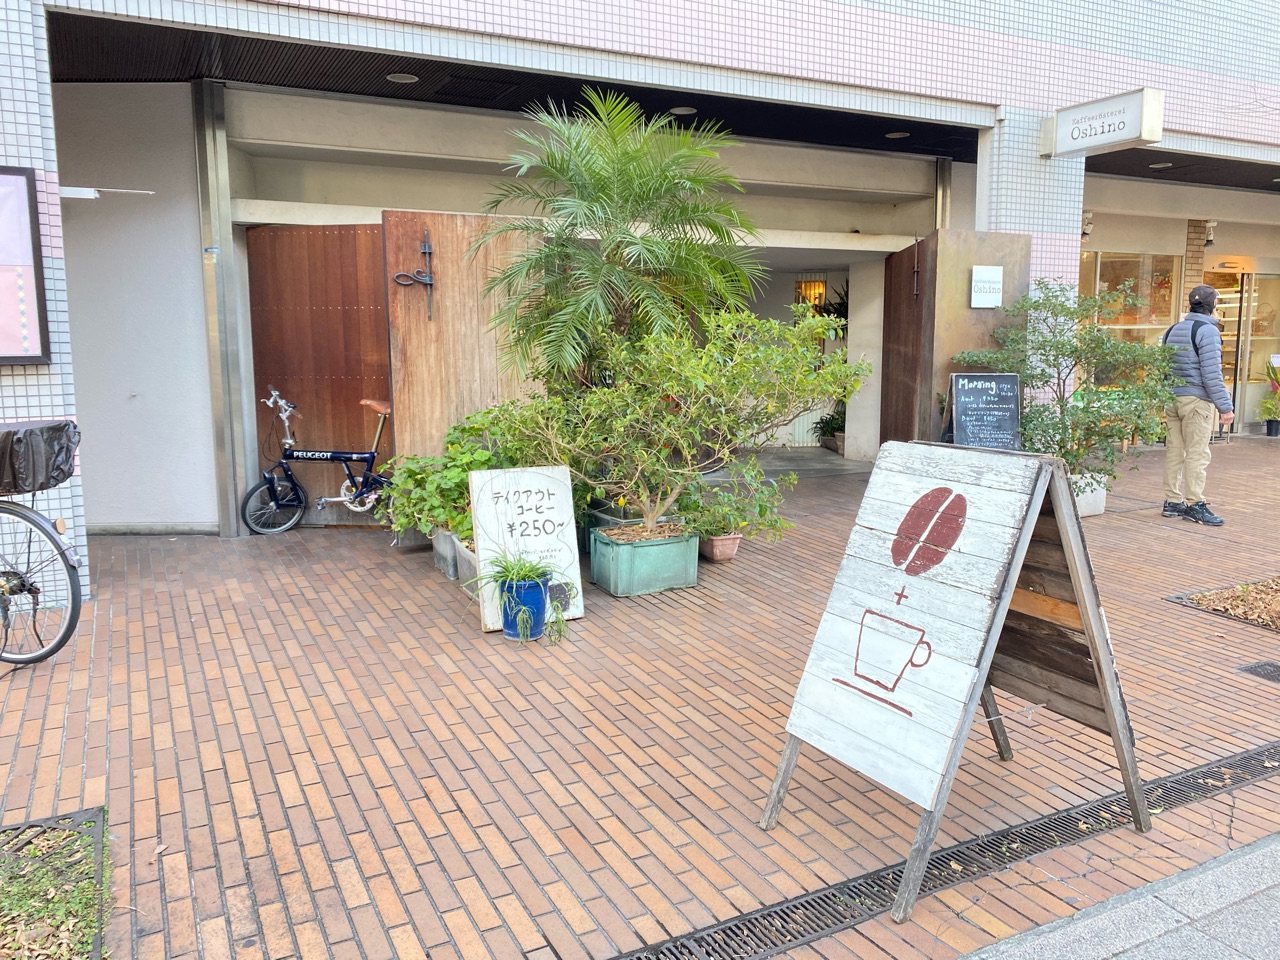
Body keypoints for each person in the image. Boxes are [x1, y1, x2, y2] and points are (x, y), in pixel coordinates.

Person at [1160, 284, 1234, 525]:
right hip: (1195, 402)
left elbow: (1163, 368)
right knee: (1197, 453)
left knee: (1174, 451)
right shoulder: (1208, 331)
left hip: (1172, 399)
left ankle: (1172, 501)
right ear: (1212, 307)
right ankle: (1195, 504)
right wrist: (1225, 407)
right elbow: (1212, 373)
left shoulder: (1173, 330)